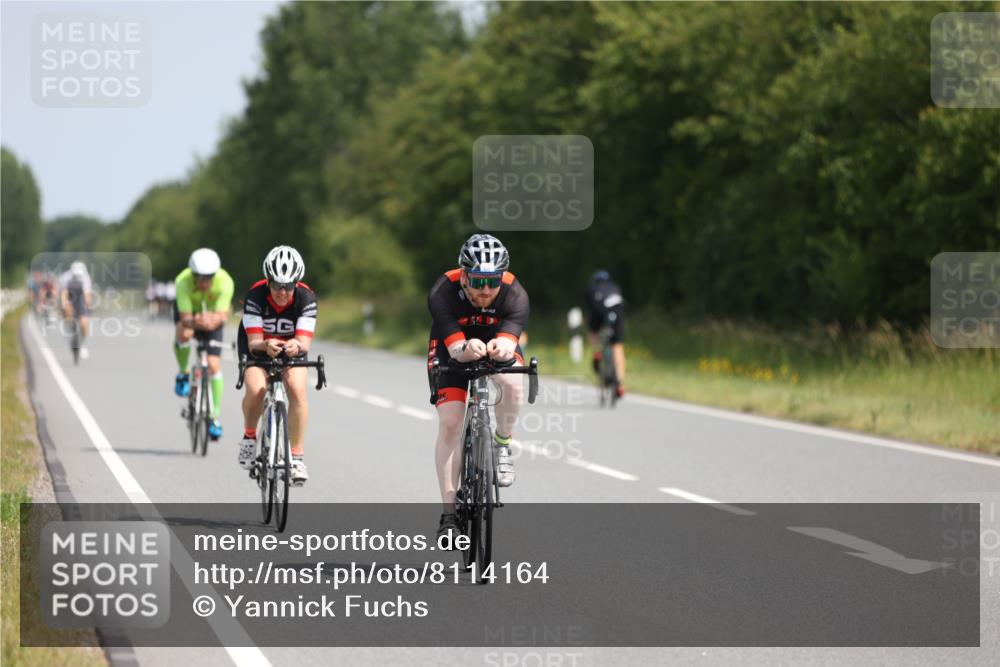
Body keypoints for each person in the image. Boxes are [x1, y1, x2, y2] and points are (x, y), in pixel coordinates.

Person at [427, 234, 529, 541]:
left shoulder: (515, 293)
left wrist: (503, 346)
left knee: (513, 384)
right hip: (453, 347)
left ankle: (502, 444)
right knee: (450, 424)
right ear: (464, 276)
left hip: (496, 340)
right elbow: (456, 348)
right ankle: (448, 515)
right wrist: (463, 347)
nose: (485, 290)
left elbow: (511, 342)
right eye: (478, 281)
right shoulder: (443, 290)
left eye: (492, 281)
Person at [236, 246, 317, 484]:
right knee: (256, 389)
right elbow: (253, 342)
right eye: (277, 285)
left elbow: (304, 342)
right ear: (268, 281)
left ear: (296, 283)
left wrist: (295, 345)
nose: (282, 292)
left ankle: (297, 458)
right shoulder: (255, 296)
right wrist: (266, 344)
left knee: (298, 390)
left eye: (289, 286)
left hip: (291, 349)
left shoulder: (306, 298)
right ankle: (250, 437)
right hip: (259, 346)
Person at [173, 249, 235, 440]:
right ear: (192, 274)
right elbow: (185, 318)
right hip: (190, 317)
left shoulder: (225, 281)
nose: (204, 282)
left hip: (213, 320)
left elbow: (223, 316)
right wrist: (195, 321)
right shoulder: (182, 282)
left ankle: (214, 417)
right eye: (199, 277)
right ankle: (183, 373)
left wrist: (212, 321)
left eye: (209, 277)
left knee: (214, 365)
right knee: (184, 333)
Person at [585, 270, 626, 398]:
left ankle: (597, 352)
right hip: (617, 312)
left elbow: (591, 311)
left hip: (599, 311)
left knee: (593, 333)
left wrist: (593, 329)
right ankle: (619, 384)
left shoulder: (592, 289)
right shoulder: (615, 287)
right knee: (617, 346)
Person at [59, 261, 93, 359]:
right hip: (69, 295)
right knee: (67, 310)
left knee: (84, 323)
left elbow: (87, 294)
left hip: (80, 297)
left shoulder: (86, 278)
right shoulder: (65, 278)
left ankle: (82, 345)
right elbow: (64, 294)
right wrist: (64, 306)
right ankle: (69, 331)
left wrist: (89, 305)